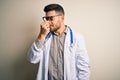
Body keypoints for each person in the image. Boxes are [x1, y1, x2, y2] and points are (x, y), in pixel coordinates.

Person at [28, 3, 90, 80]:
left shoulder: (77, 38)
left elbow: (84, 68)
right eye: (46, 19)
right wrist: (41, 35)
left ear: (62, 18)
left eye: (51, 18)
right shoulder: (44, 37)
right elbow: (32, 59)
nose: (48, 22)